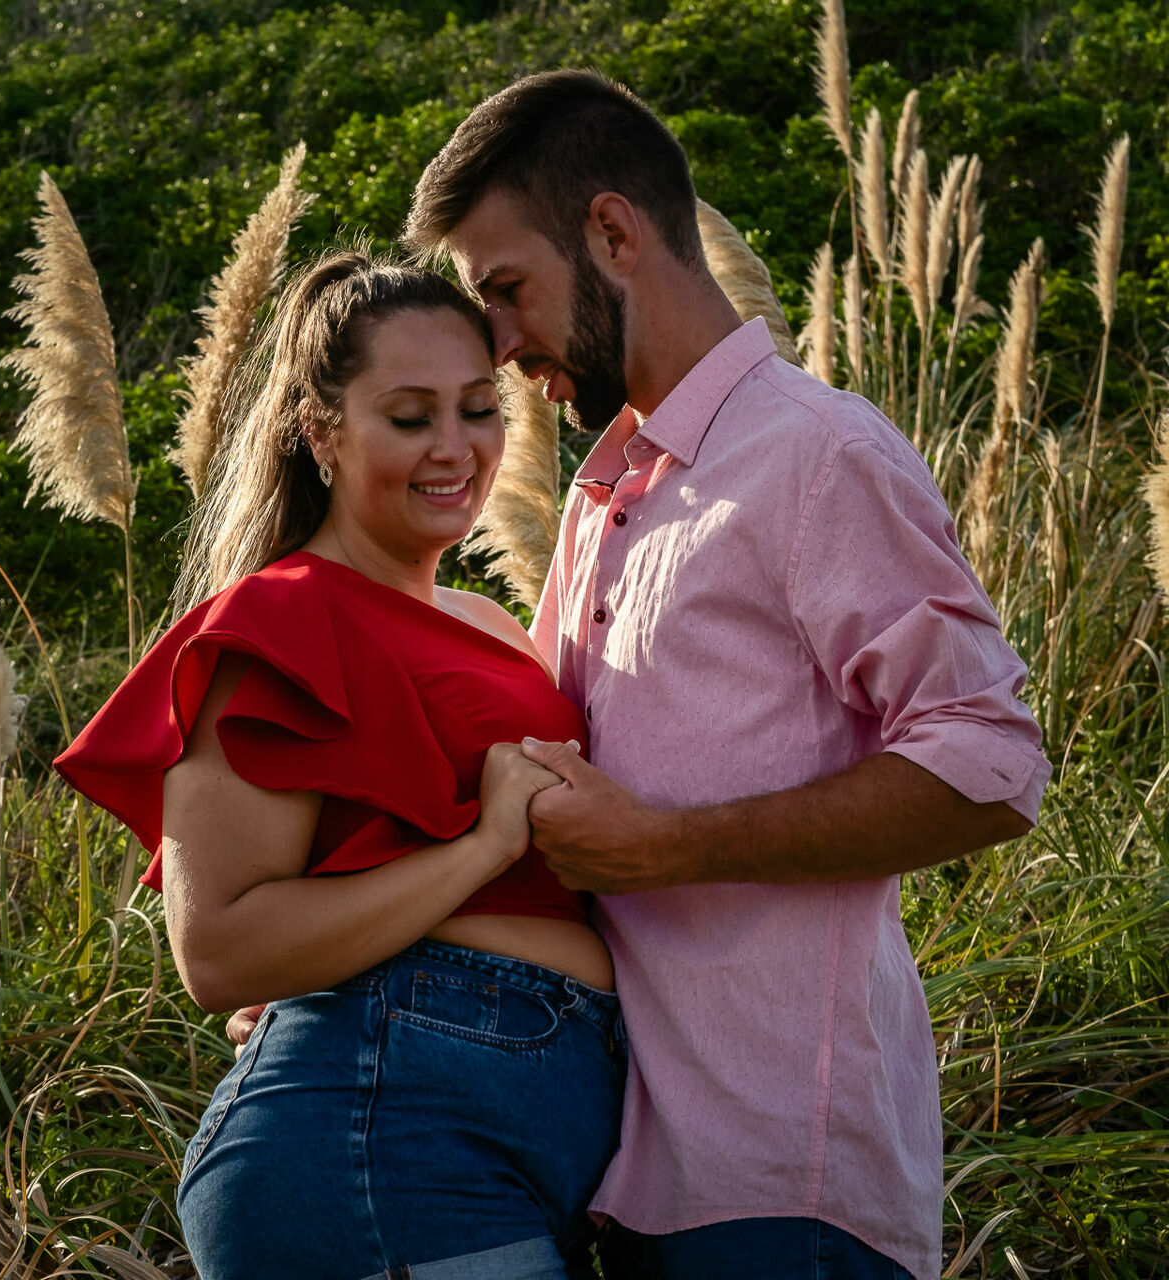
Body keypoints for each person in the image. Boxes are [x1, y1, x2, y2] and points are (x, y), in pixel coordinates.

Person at [387, 68, 1049, 1279]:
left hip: (782, 1188)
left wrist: (671, 847)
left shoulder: (816, 453)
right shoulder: (602, 492)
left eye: (507, 288)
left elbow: (992, 763)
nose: (499, 341)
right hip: (618, 1174)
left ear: (612, 232)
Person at [55, 250, 625, 1280]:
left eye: (478, 408)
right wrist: (483, 843)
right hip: (378, 1130)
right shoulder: (282, 617)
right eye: (409, 418)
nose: (455, 448)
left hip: (508, 1135)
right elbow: (219, 950)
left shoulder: (492, 623)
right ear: (320, 432)